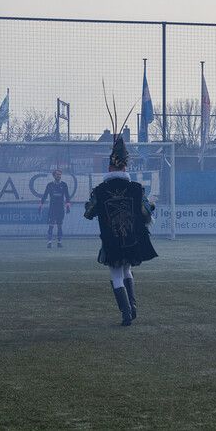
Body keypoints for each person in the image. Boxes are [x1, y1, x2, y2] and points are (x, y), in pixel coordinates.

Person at [84, 126, 157, 326]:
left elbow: (88, 213)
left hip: (111, 241)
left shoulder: (99, 190)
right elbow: (146, 212)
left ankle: (126, 313)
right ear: (125, 167)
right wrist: (152, 204)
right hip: (131, 240)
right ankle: (132, 307)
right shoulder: (136, 188)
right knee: (127, 271)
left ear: (109, 168)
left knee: (116, 276)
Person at [39, 169, 71, 248]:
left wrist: (68, 206)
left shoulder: (64, 185)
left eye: (60, 174)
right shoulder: (50, 185)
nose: (59, 176)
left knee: (60, 225)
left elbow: (67, 196)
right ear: (54, 176)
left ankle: (59, 242)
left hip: (60, 208)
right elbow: (45, 195)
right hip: (52, 208)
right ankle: (49, 242)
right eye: (57, 174)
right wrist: (41, 205)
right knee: (51, 225)